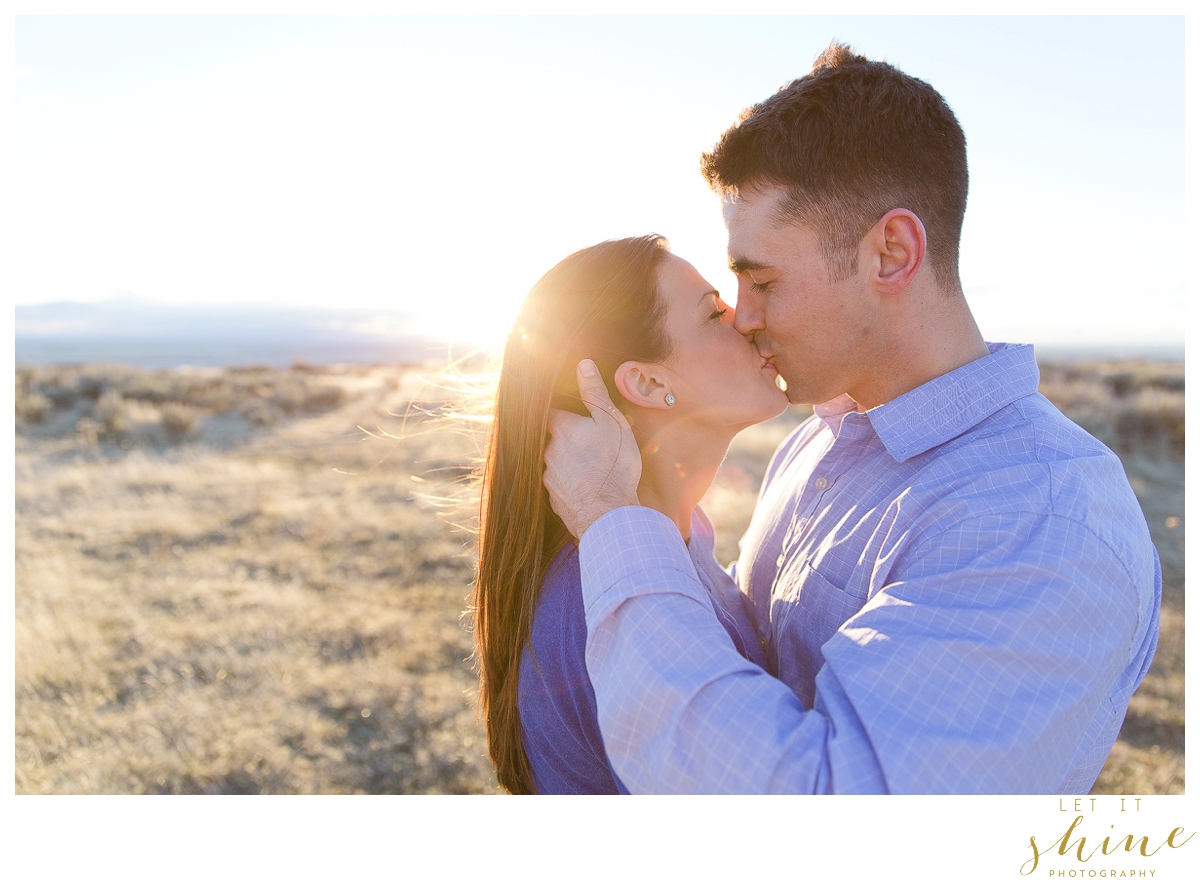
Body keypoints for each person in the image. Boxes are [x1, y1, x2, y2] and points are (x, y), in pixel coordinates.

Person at [542, 43, 1162, 794]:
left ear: (891, 254)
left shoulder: (1037, 520)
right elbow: (763, 658)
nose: (745, 318)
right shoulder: (817, 443)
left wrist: (613, 521)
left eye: (763, 280)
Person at [471, 234, 787, 794]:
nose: (746, 320)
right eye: (715, 312)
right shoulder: (596, 607)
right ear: (648, 382)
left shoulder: (674, 532)